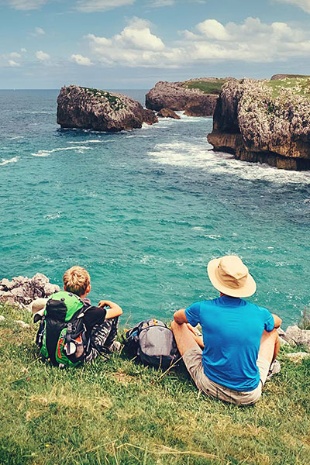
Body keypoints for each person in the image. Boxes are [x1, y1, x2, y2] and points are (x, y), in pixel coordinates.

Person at [171, 255, 282, 405]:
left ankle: (200, 340)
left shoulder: (203, 308)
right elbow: (277, 322)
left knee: (176, 325)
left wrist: (190, 319)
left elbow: (177, 318)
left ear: (218, 283)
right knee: (272, 331)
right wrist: (266, 318)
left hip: (211, 386)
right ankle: (269, 368)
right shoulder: (259, 313)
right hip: (249, 394)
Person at [33, 265, 123, 363]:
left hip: (48, 353)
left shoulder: (53, 302)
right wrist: (108, 302)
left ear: (64, 287)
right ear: (88, 289)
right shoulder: (88, 311)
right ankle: (109, 347)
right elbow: (118, 310)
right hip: (77, 357)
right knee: (111, 317)